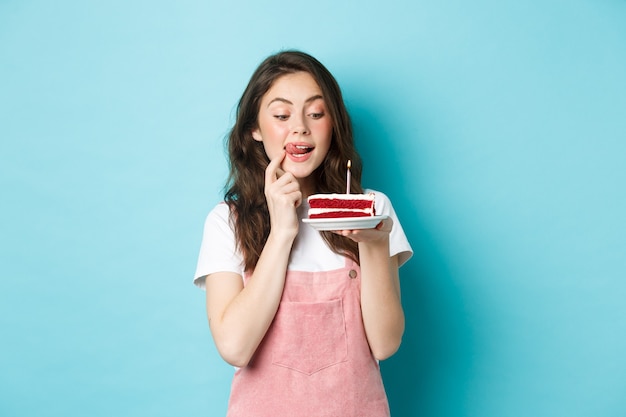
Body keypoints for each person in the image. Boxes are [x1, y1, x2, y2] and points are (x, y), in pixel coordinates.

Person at [194, 50, 413, 417]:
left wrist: (374, 246)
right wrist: (281, 233)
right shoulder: (226, 222)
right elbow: (234, 347)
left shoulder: (371, 209)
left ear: (334, 124)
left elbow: (385, 343)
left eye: (316, 113)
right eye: (281, 115)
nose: (300, 127)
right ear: (254, 129)